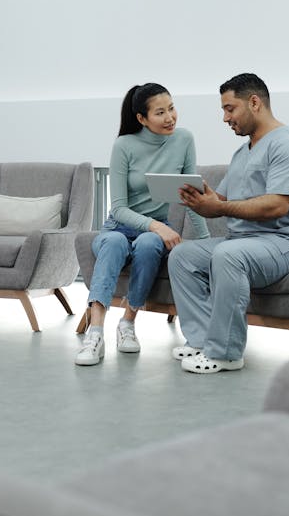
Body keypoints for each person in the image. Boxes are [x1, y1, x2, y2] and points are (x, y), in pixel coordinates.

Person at [169, 73, 289, 374]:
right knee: (182, 256)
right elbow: (221, 203)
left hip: (285, 243)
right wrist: (202, 201)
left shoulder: (288, 145)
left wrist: (220, 205)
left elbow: (277, 205)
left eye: (230, 108)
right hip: (242, 241)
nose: (225, 118)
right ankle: (200, 341)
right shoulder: (242, 152)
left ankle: (225, 353)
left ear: (254, 103)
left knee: (229, 255)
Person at [75, 83, 210, 366]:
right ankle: (95, 332)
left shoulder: (184, 140)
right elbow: (119, 208)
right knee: (113, 243)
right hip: (118, 227)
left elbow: (191, 196)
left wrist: (206, 241)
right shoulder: (124, 145)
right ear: (141, 118)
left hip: (153, 230)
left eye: (171, 108)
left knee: (149, 244)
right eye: (160, 112)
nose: (170, 117)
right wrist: (157, 226)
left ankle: (127, 324)